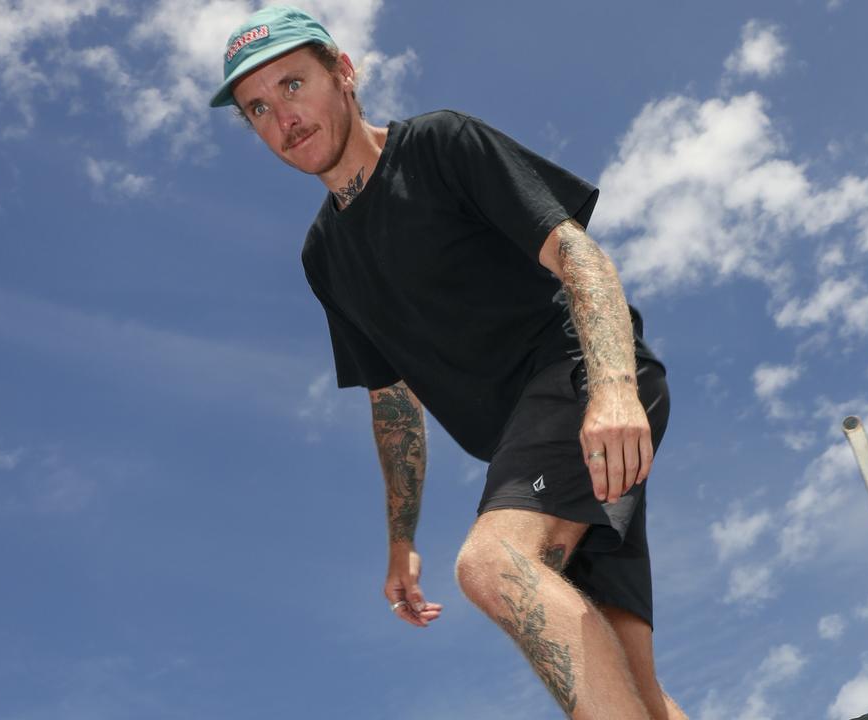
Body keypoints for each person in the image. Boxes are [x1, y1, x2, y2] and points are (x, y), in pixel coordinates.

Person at [210, 7, 689, 719]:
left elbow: (575, 251)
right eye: (258, 107)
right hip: (527, 447)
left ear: (343, 72)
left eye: (293, 85)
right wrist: (401, 541)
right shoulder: (324, 257)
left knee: (496, 565)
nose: (283, 117)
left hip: (580, 378)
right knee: (630, 678)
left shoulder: (439, 144)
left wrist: (614, 387)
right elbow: (391, 402)